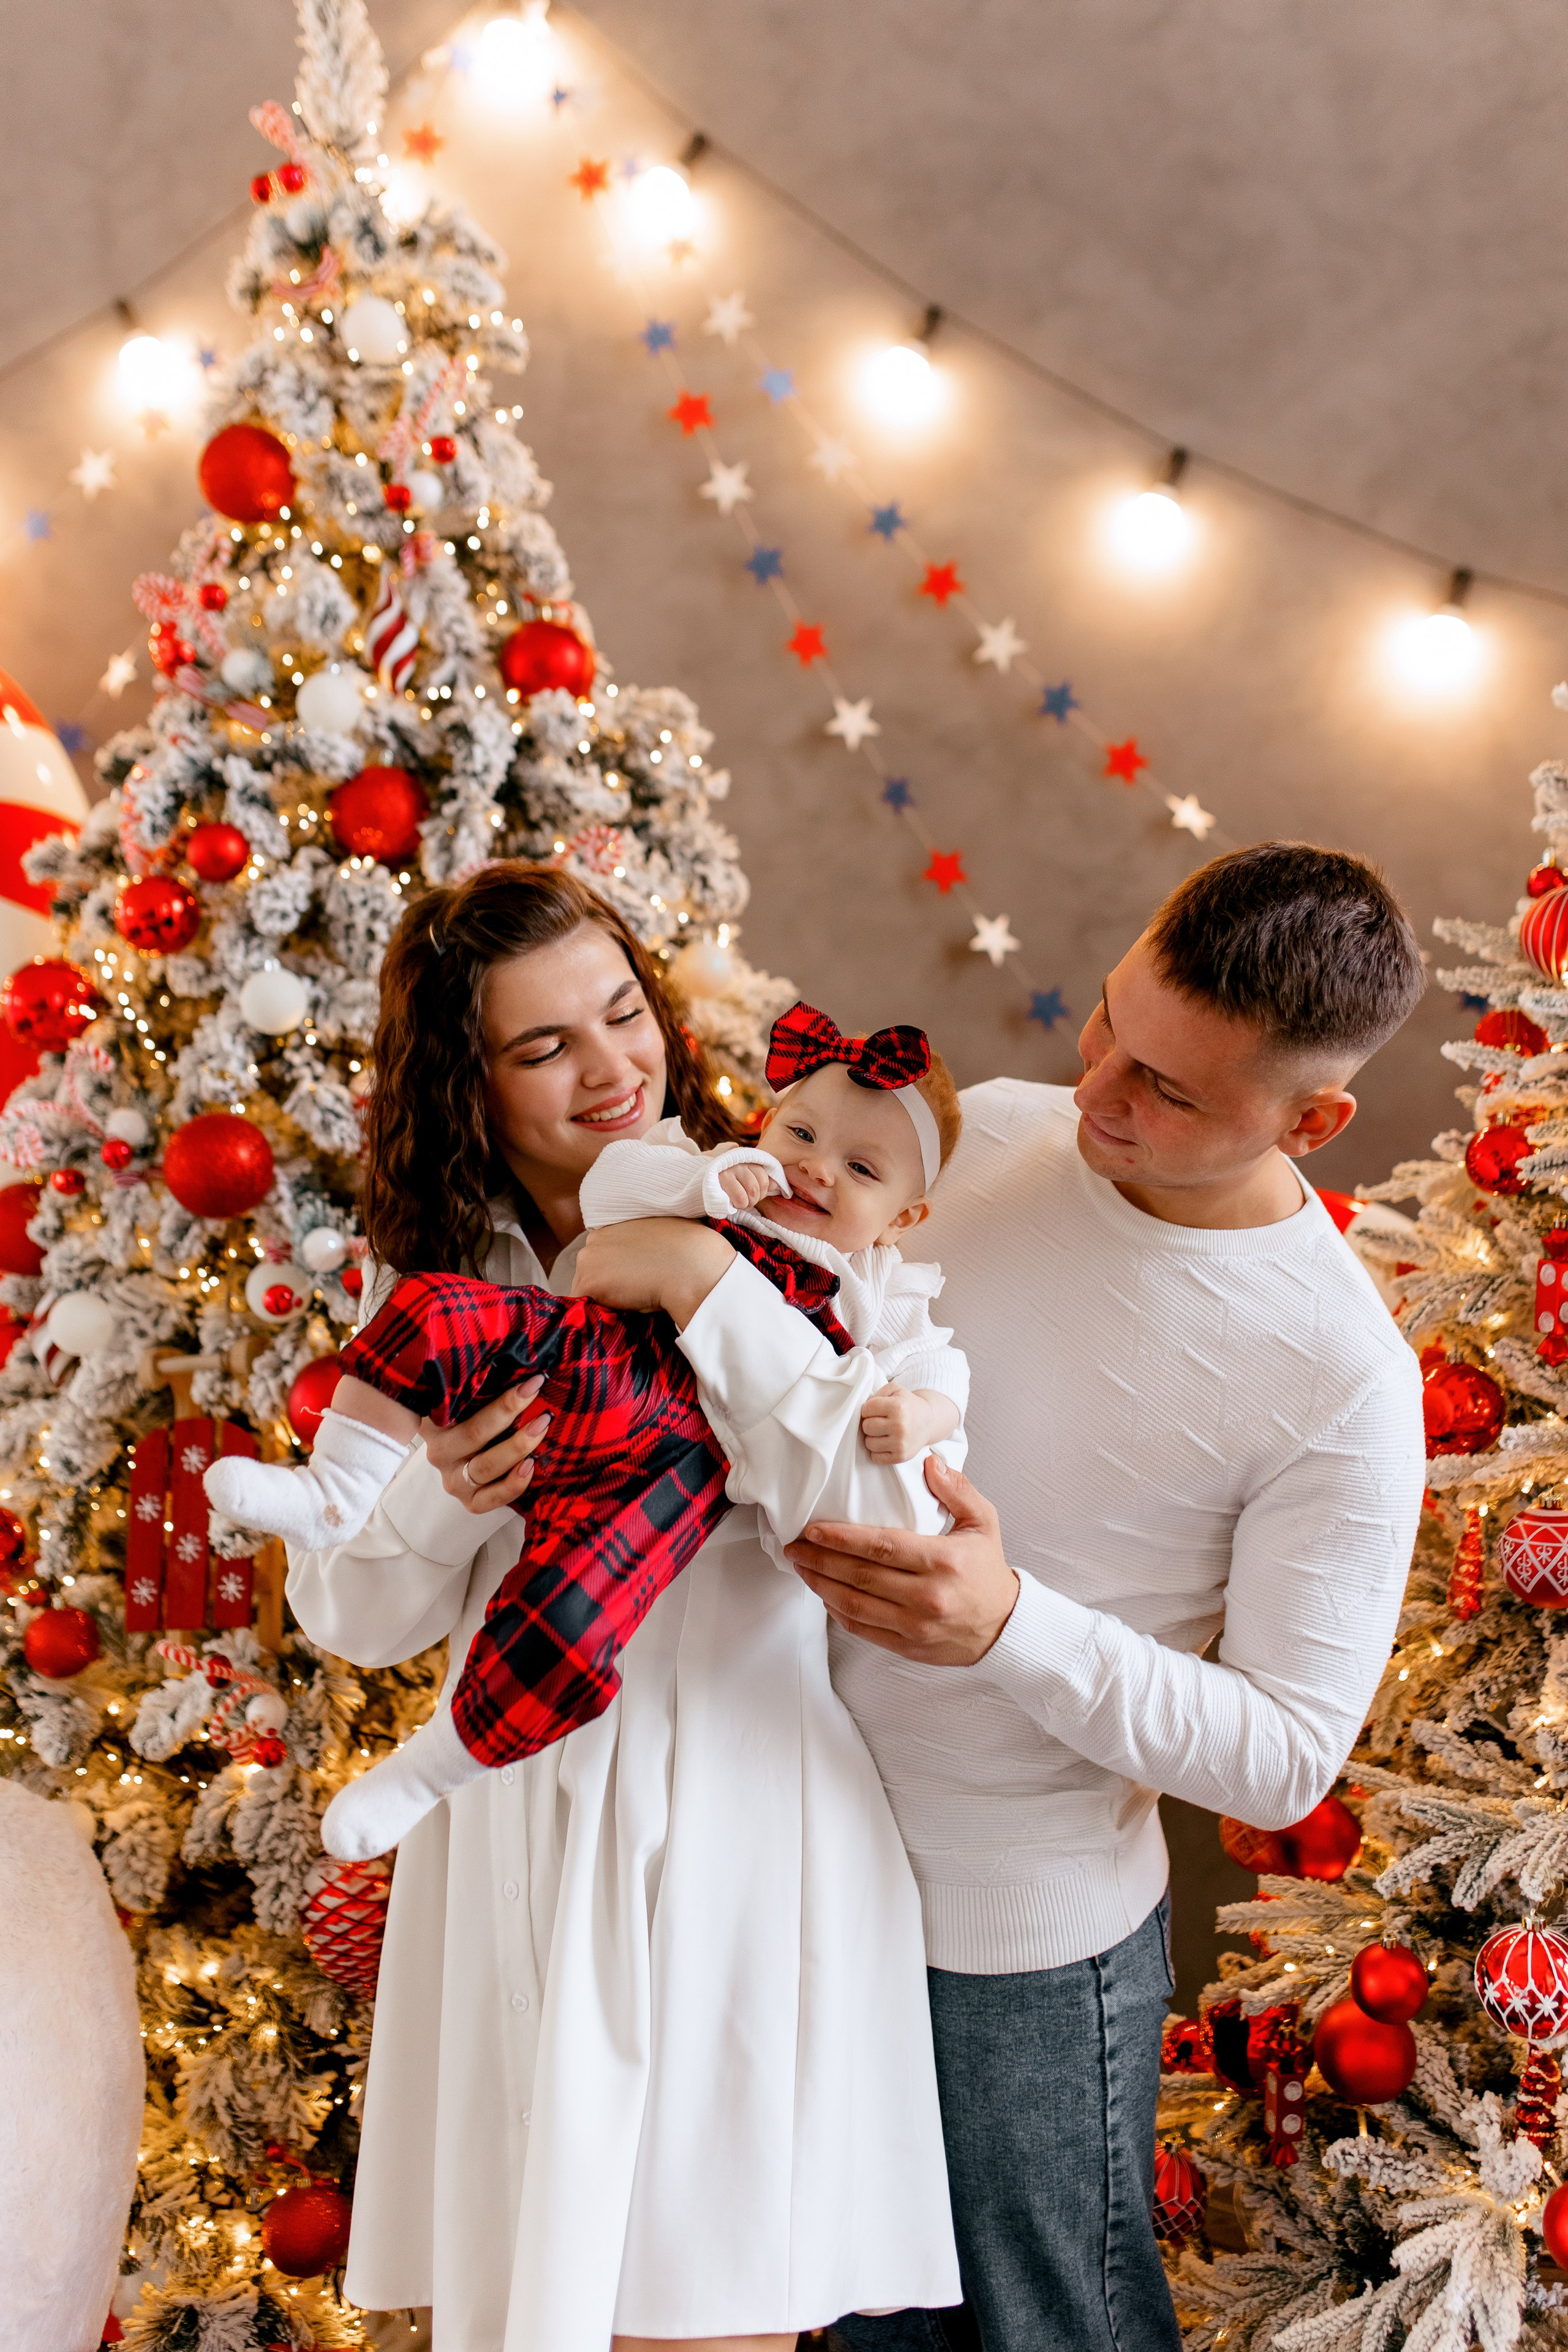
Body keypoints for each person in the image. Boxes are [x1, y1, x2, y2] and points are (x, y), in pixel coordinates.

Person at [576, 843, 1431, 2352]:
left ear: (1315, 1120)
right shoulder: (976, 1144)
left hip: (1010, 1954)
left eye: (1171, 1092)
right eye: (1112, 1024)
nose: (1098, 1091)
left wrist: (1008, 1627)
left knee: (1054, 2331)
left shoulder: (1344, 1383)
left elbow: (1284, 1752)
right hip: (766, 1855)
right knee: (835, 2326)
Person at [284, 862, 962, 2352]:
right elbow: (349, 1612)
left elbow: (873, 1528)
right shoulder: (444, 1291)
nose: (610, 1069)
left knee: (703, 2303)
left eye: (619, 1013)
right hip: (517, 1826)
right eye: (544, 1048)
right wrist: (441, 1493)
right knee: (522, 2301)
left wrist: (703, 1285)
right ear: (469, 1088)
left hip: (732, 1827)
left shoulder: (788, 1210)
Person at [235, 998, 968, 1862]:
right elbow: (613, 1190)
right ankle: (335, 1488)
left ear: (906, 1219)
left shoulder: (884, 1297)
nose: (815, 1172)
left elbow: (930, 1417)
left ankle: (440, 1761)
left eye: (861, 1169)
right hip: (589, 1360)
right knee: (435, 1314)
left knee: (576, 1612)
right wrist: (703, 1191)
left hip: (681, 1464)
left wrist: (927, 1410)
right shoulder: (706, 1171)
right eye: (801, 1135)